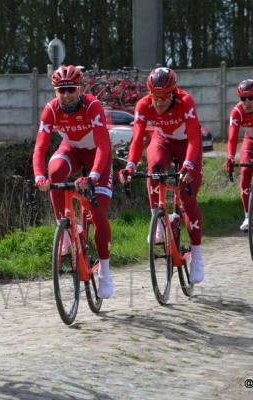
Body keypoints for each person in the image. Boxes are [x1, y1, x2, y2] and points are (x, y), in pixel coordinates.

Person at [33, 65, 114, 298]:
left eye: (71, 89)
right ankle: (66, 230)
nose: (66, 94)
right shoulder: (51, 109)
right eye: (61, 90)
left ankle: (105, 272)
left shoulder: (92, 106)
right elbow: (40, 147)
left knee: (98, 214)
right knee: (55, 171)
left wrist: (94, 176)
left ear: (80, 89)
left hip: (98, 156)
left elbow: (101, 146)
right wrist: (39, 176)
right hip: (72, 150)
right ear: (55, 91)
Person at [118, 67, 205, 284]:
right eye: (154, 96)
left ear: (174, 92)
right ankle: (157, 219)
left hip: (187, 145)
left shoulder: (185, 101)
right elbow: (138, 140)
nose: (158, 101)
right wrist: (130, 166)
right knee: (154, 168)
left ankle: (197, 257)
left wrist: (187, 164)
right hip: (163, 141)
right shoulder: (144, 105)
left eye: (164, 96)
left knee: (187, 199)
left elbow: (195, 138)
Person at [224, 79, 253, 231]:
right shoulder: (237, 112)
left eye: (251, 98)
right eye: (243, 98)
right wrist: (230, 157)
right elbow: (232, 138)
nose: (247, 102)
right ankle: (248, 216)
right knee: (245, 170)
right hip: (250, 140)